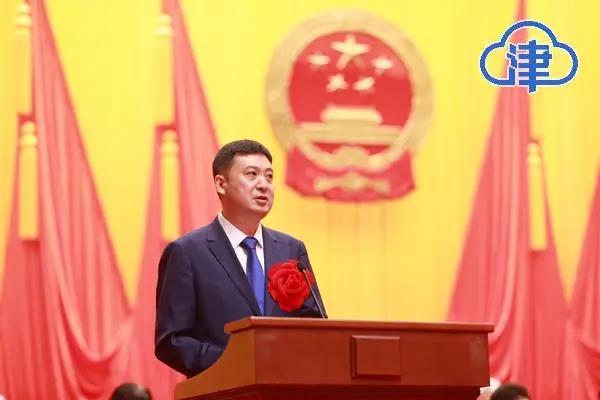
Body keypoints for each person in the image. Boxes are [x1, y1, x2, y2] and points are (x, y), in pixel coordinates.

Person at [155, 139, 326, 378]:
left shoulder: (291, 249)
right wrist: (235, 363)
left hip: (285, 386)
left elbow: (316, 327)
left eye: (269, 177)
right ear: (221, 184)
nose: (263, 185)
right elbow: (172, 340)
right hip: (222, 386)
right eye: (252, 174)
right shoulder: (187, 253)